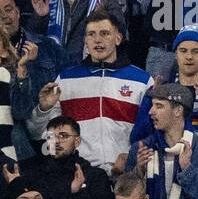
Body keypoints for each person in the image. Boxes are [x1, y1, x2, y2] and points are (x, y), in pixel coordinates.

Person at [27, 9, 149, 175]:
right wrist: (44, 110)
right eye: (91, 34)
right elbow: (39, 135)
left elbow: (152, 133)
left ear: (118, 38)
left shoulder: (142, 80)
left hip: (127, 174)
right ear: (85, 40)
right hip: (80, 176)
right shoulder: (65, 79)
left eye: (105, 33)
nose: (97, 40)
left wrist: (132, 157)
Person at [131, 27, 198, 152]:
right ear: (176, 54)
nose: (189, 56)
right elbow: (137, 139)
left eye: (195, 51)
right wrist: (153, 102)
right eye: (183, 51)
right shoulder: (159, 91)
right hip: (164, 163)